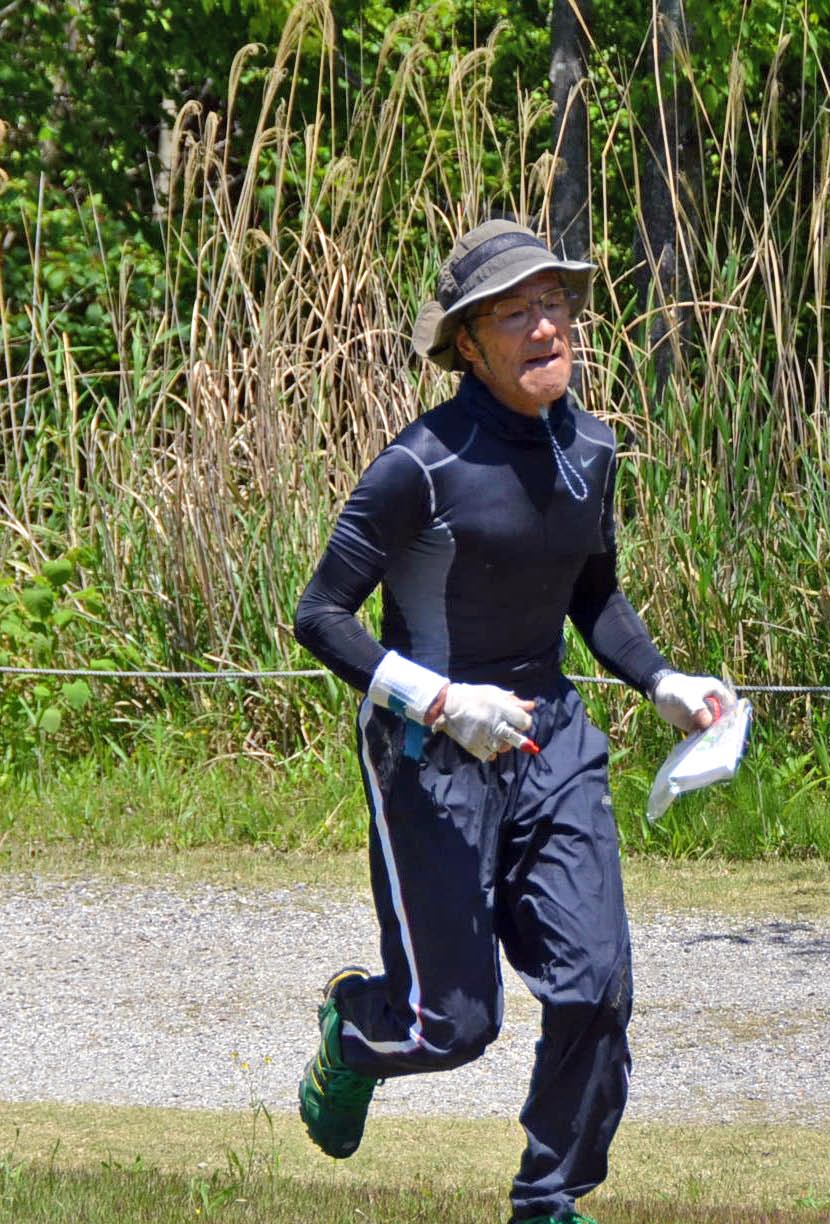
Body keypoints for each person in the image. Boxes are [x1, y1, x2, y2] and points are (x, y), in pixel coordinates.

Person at [291, 218, 734, 1224]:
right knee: (453, 1026)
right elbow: (319, 615)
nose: (545, 327)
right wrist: (443, 702)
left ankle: (549, 1199)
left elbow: (593, 595)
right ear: (468, 344)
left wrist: (662, 680)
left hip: (553, 741)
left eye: (555, 303)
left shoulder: (592, 447)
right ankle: (355, 1029)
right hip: (428, 754)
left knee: (596, 987)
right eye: (514, 313)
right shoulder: (418, 465)